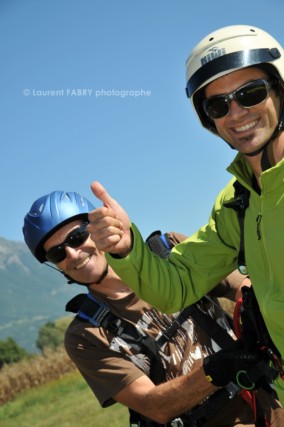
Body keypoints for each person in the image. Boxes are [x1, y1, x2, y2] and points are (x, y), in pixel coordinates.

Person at [84, 25, 284, 406]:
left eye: (251, 93)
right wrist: (127, 249)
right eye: (218, 105)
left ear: (281, 89)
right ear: (208, 119)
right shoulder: (237, 201)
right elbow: (177, 285)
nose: (236, 113)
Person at [22, 191, 283, 426]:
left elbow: (246, 289)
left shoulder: (168, 251)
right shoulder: (86, 334)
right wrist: (213, 371)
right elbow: (152, 406)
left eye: (77, 237)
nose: (73, 254)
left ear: (98, 227)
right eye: (57, 254)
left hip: (267, 401)